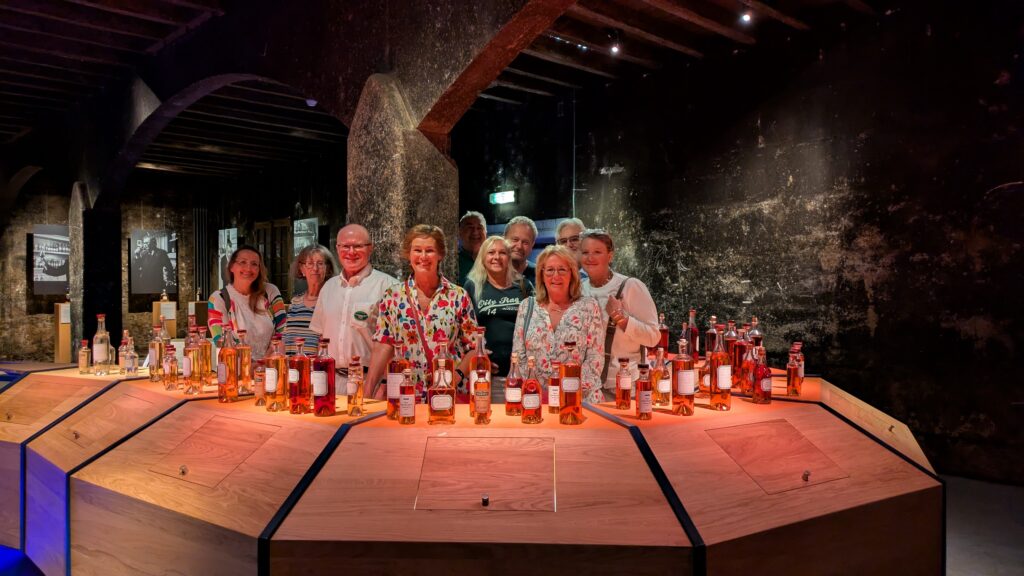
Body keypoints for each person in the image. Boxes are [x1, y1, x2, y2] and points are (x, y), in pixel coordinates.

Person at [366, 224, 480, 402]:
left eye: (430, 250)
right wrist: (367, 393)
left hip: (449, 394)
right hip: (406, 393)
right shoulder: (393, 296)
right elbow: (383, 344)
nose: (423, 256)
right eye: (417, 250)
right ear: (409, 254)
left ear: (440, 254)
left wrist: (456, 377)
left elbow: (474, 347)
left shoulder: (458, 296)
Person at [309, 224, 397, 394]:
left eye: (358, 246)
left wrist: (384, 386)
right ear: (337, 248)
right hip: (331, 381)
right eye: (345, 246)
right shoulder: (328, 287)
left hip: (371, 383)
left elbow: (396, 346)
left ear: (370, 248)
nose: (351, 252)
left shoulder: (388, 286)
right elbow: (321, 338)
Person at [512, 245, 605, 404]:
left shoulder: (589, 307)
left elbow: (594, 360)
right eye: (549, 270)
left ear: (572, 274)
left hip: (582, 401)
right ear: (541, 274)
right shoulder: (527, 307)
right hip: (538, 401)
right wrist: (541, 393)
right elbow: (518, 357)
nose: (556, 276)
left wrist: (565, 392)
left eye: (562, 270)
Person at [579, 229, 661, 400]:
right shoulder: (579, 289)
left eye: (597, 252)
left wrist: (622, 319)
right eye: (585, 252)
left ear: (610, 256)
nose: (590, 258)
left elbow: (653, 337)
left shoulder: (630, 286)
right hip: (589, 388)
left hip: (625, 388)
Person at [464, 235, 533, 400]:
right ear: (483, 257)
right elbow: (467, 329)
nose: (496, 257)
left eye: (502, 253)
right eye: (491, 252)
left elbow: (534, 326)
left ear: (509, 257)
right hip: (487, 373)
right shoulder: (473, 286)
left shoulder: (524, 286)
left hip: (521, 371)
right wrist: (480, 357)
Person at [208, 245, 286, 360]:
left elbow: (283, 331)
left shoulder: (270, 292)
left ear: (259, 269)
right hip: (236, 366)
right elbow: (222, 342)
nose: (248, 268)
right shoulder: (219, 299)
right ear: (231, 267)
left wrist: (264, 363)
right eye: (243, 262)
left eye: (254, 264)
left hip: (270, 365)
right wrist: (250, 365)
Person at [283, 244, 336, 356]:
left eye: (320, 263)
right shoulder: (295, 302)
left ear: (328, 269)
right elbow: (286, 338)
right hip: (292, 365)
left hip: (318, 365)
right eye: (310, 263)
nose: (315, 269)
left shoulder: (332, 301)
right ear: (302, 269)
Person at [457, 211, 487, 285]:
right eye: (470, 227)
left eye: (479, 228)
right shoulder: (453, 262)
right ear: (459, 233)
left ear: (485, 232)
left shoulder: (494, 259)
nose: (475, 232)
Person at [504, 215, 538, 280]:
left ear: (532, 245)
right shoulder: (490, 273)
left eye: (525, 242)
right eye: (515, 240)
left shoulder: (540, 275)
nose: (519, 246)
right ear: (504, 239)